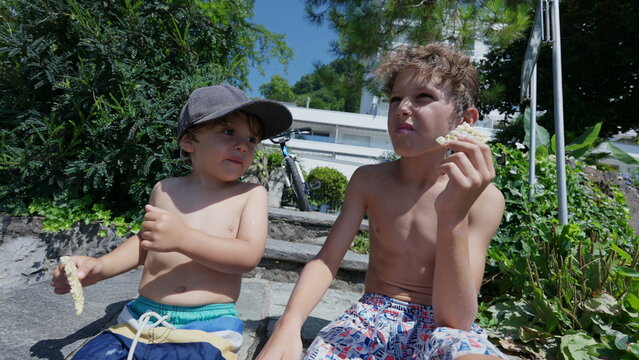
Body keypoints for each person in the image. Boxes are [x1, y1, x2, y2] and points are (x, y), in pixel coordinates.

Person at [257, 43, 508, 360]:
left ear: (465, 120)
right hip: (373, 316)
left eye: (423, 97)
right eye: (395, 99)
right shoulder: (369, 180)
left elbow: (456, 322)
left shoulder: (484, 199)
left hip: (445, 327)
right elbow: (326, 260)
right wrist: (288, 326)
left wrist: (452, 215)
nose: (402, 107)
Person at [51, 84, 292, 360]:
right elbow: (145, 243)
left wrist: (183, 238)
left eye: (252, 139)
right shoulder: (165, 189)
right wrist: (101, 267)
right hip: (139, 321)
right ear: (188, 141)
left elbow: (247, 256)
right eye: (228, 132)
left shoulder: (250, 195)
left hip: (206, 328)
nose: (242, 145)